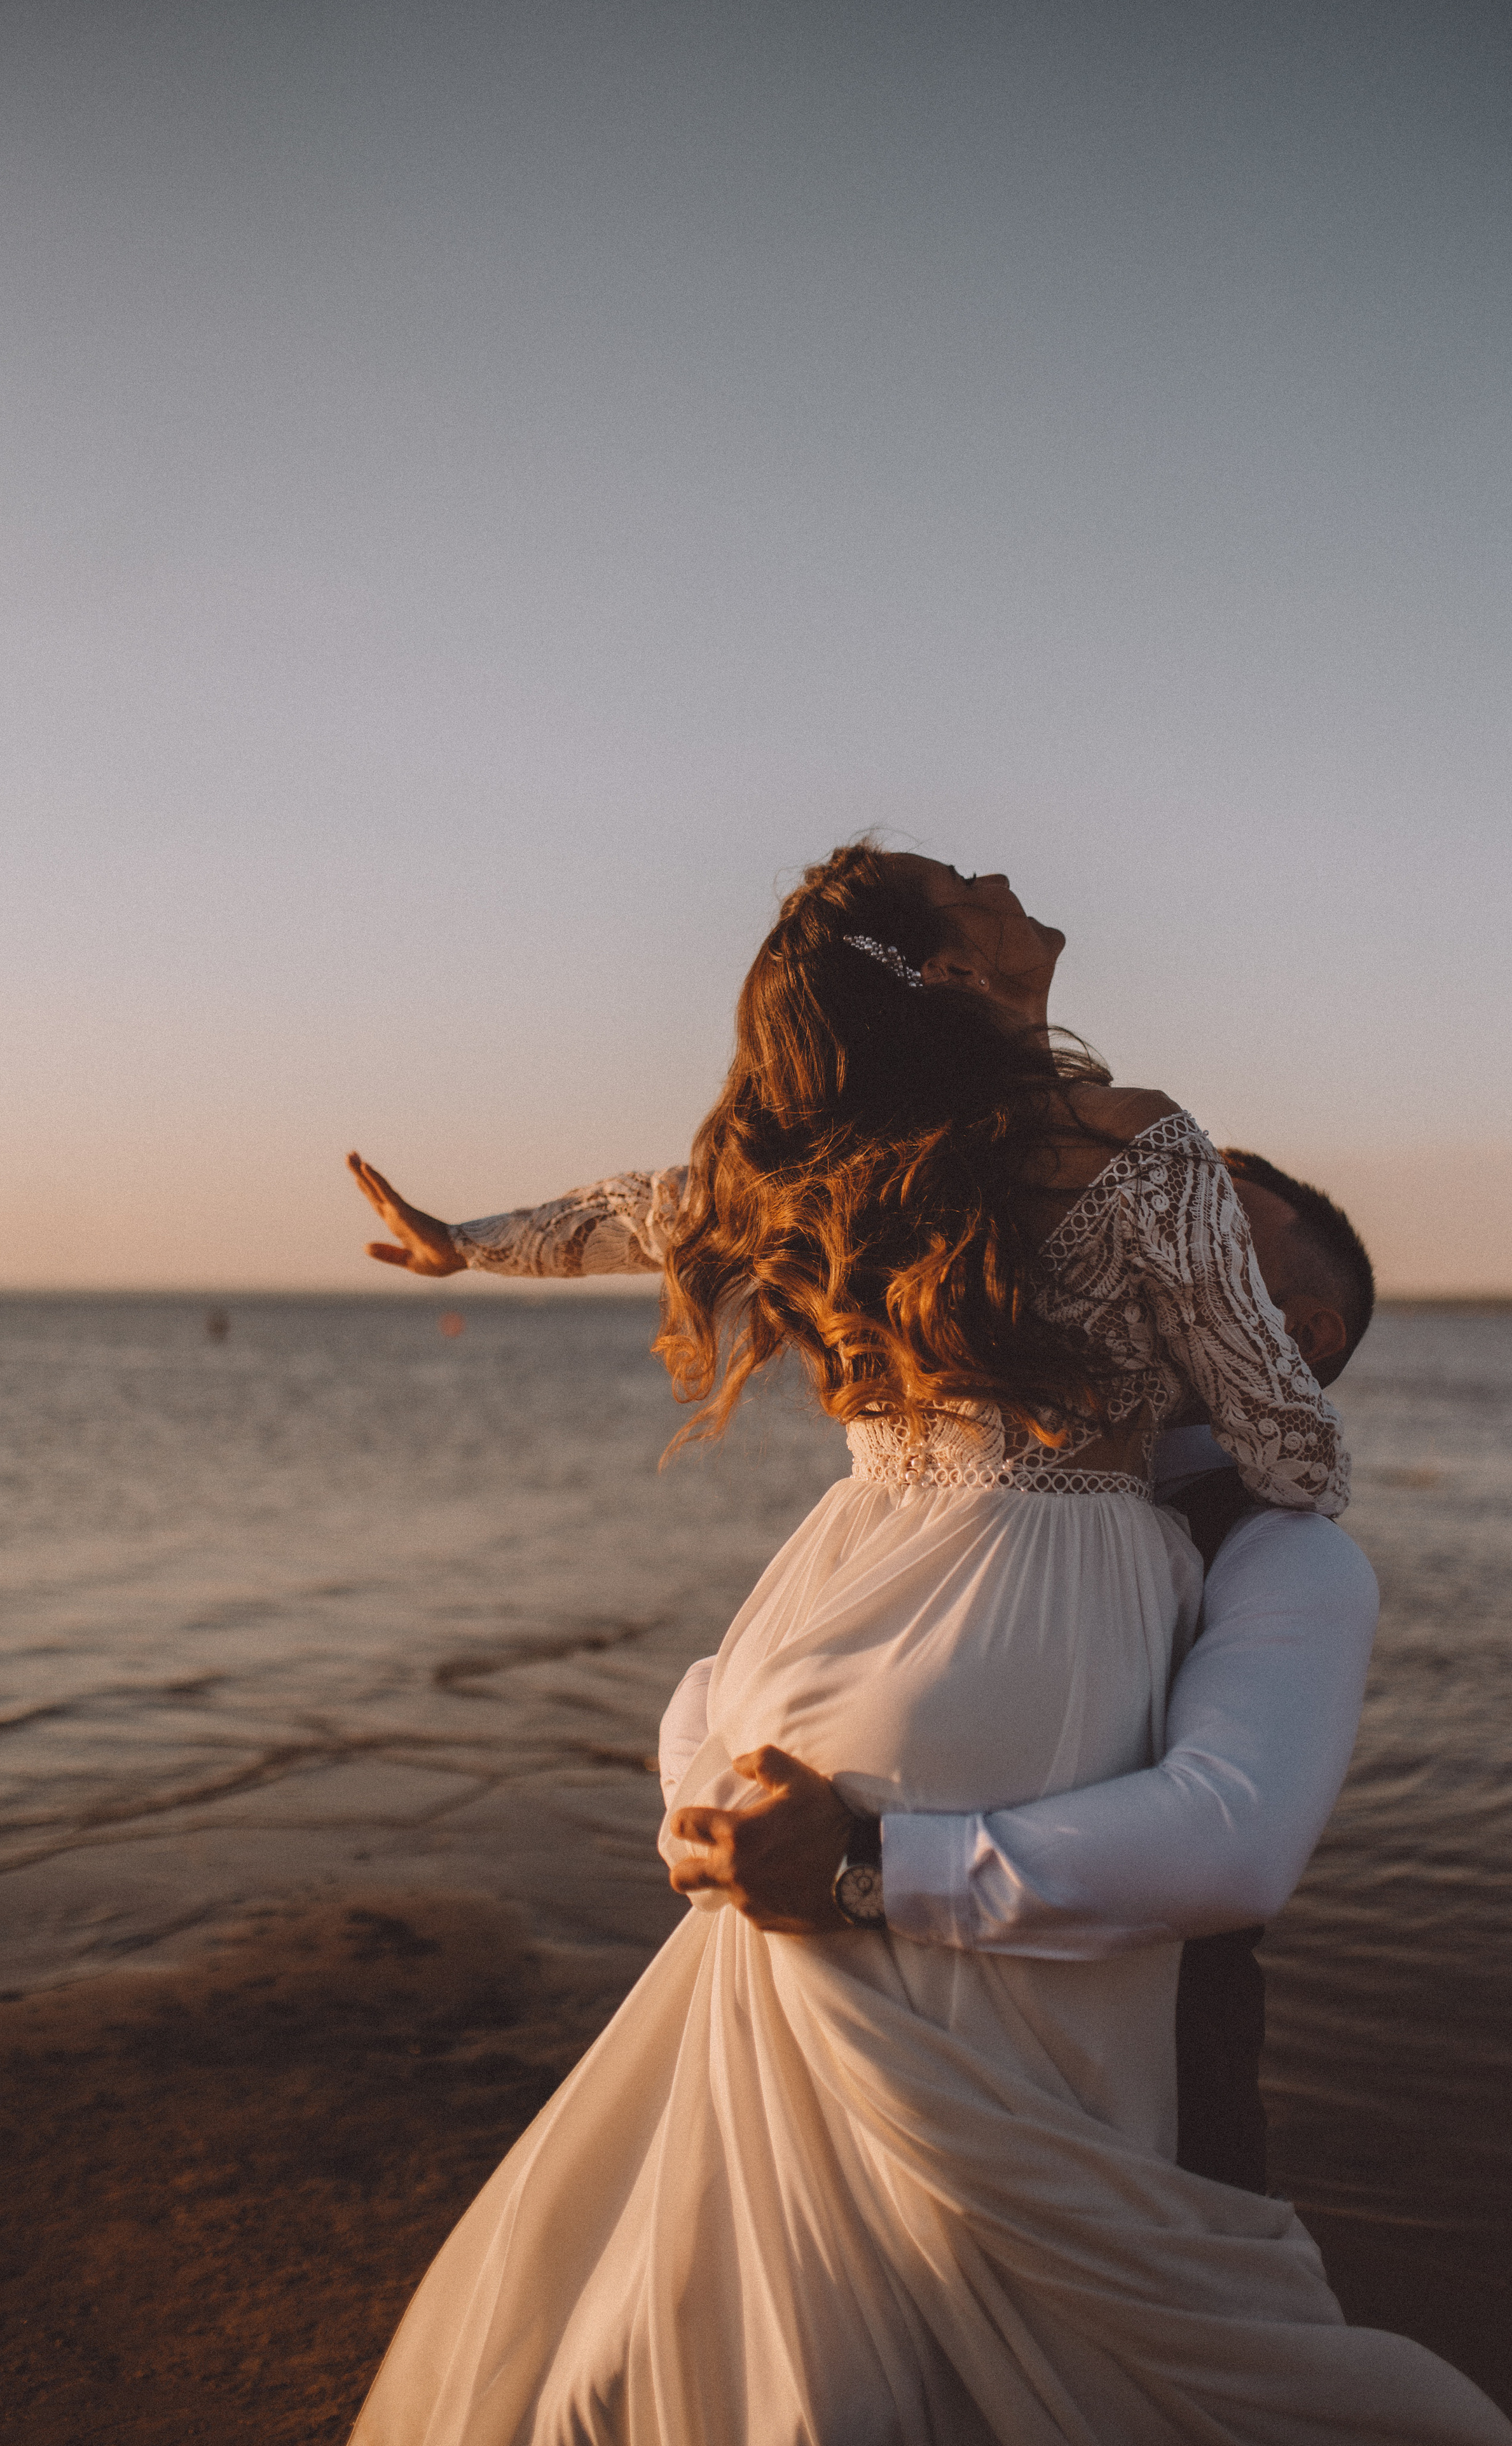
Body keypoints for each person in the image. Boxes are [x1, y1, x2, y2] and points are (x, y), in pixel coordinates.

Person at [348, 849, 1509, 2444]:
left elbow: (633, 1211)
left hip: (829, 1598)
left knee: (794, 2169)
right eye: (959, 884)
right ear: (946, 977)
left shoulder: (842, 1168)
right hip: (1017, 1618)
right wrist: (1220, 1383)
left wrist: (461, 1241)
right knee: (991, 2142)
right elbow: (1295, 1459)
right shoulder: (1139, 1144)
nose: (1000, 868)